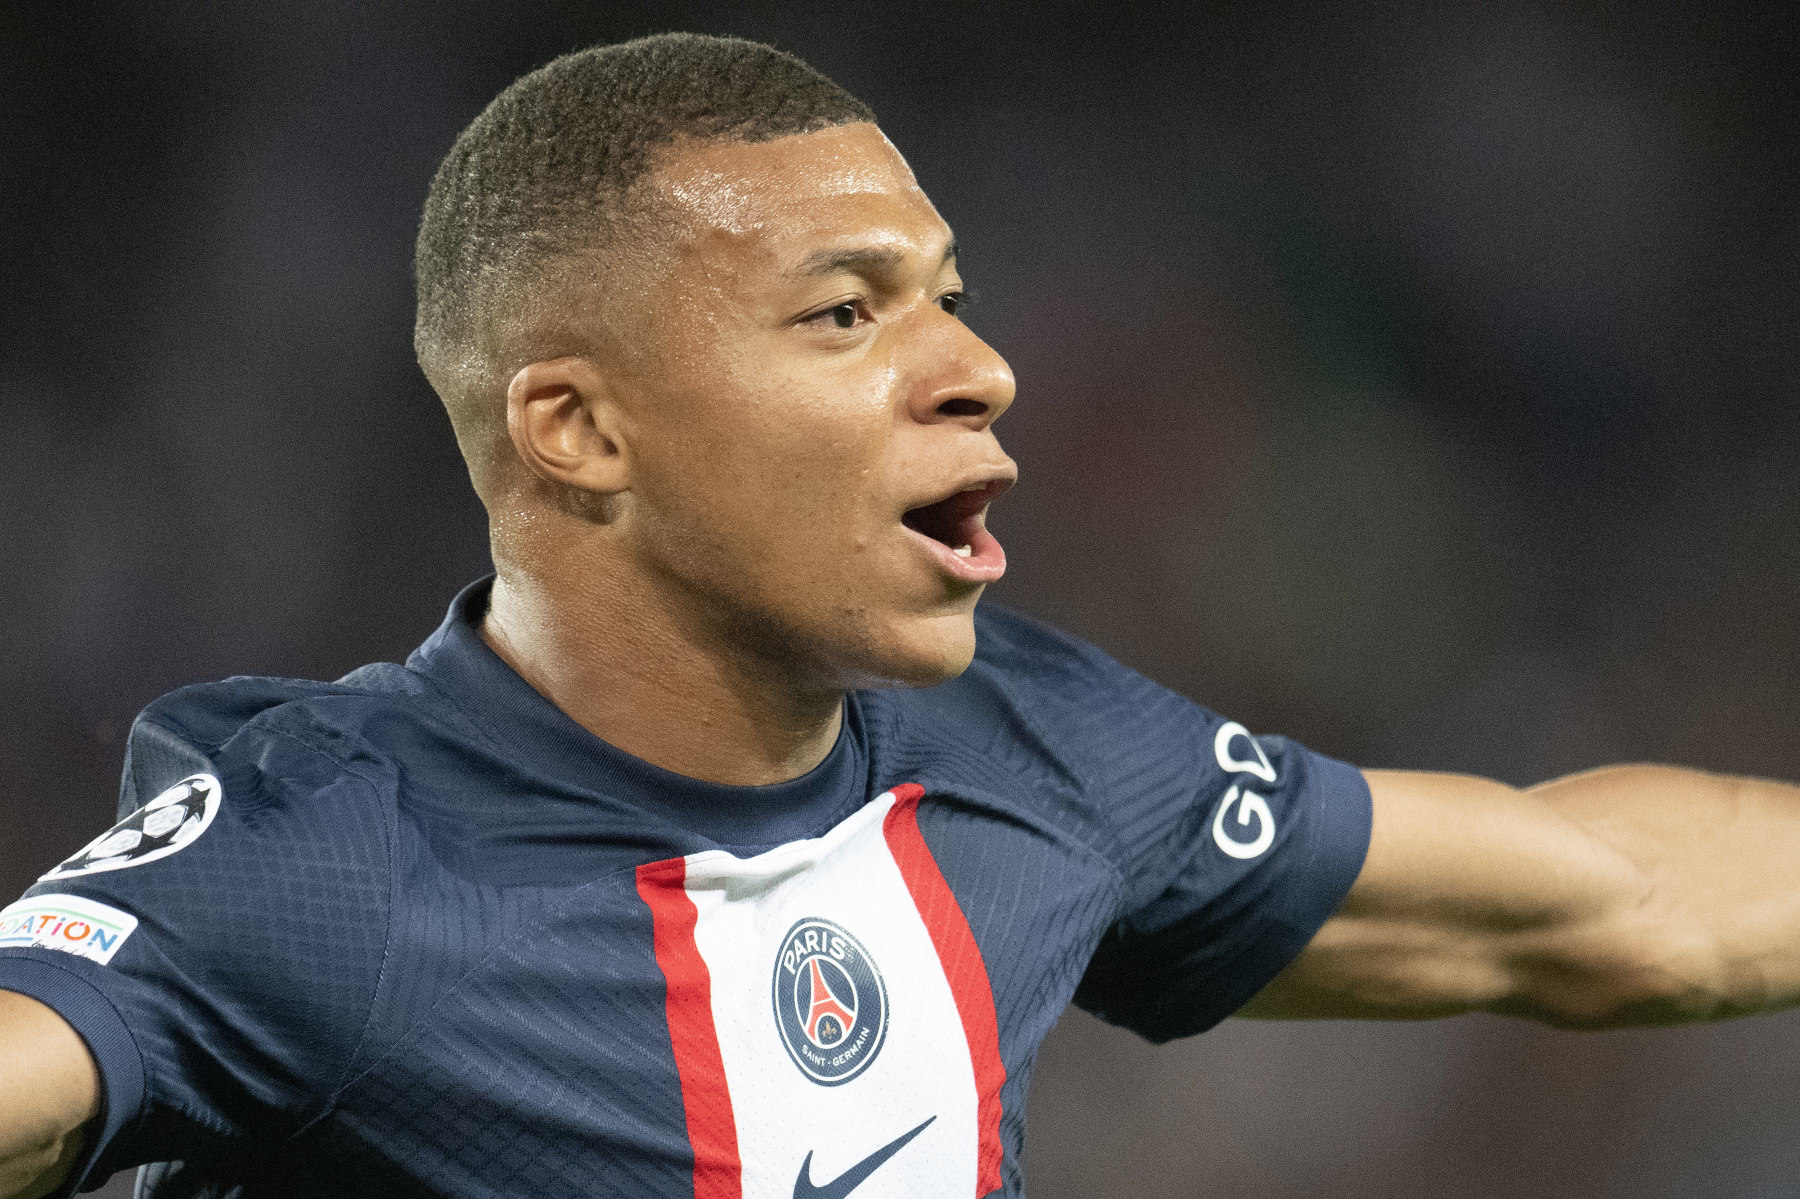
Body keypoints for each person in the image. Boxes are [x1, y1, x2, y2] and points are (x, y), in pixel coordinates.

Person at [0, 32, 1795, 1199]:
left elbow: (1613, 911)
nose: (982, 369)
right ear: (580, 428)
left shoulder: (1030, 750)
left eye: (950, 299)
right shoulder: (326, 864)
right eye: (846, 315)